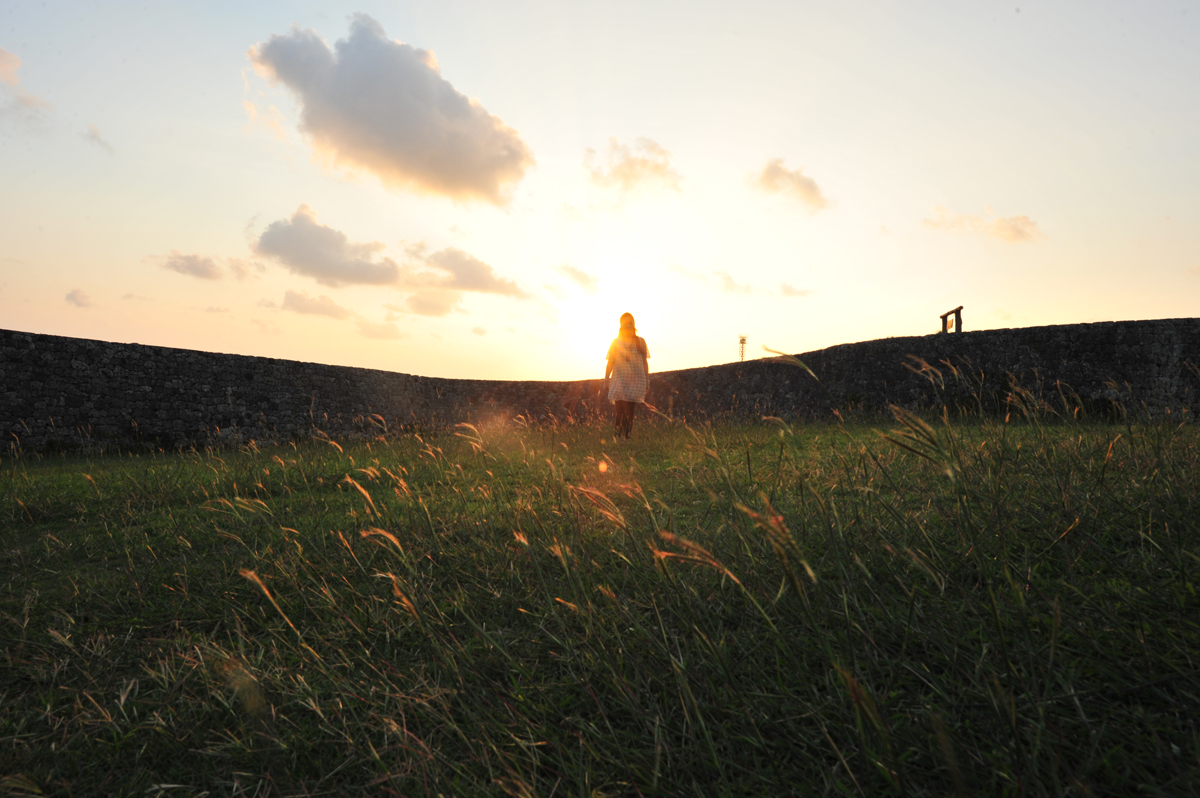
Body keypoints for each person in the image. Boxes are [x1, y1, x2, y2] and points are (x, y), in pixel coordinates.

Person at [604, 312, 650, 440]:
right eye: (626, 323)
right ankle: (618, 438)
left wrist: (647, 381)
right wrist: (606, 380)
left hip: (635, 382)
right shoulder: (615, 342)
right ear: (621, 326)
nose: (628, 325)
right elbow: (610, 362)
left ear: (634, 324)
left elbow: (644, 362)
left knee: (630, 411)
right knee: (620, 411)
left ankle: (626, 438)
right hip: (619, 381)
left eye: (631, 323)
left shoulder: (640, 342)